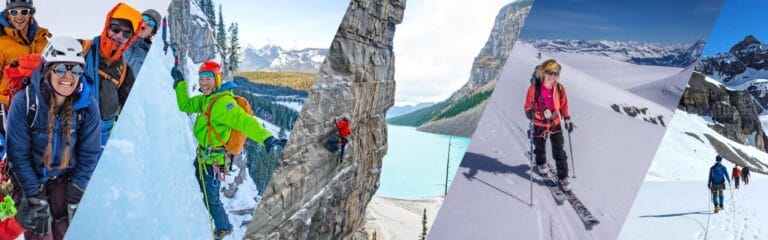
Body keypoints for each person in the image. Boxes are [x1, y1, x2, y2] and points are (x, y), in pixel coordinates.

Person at [172, 60, 284, 239]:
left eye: (208, 78)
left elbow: (245, 122)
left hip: (213, 162)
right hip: (203, 156)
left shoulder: (224, 103)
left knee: (212, 199)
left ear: (217, 79)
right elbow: (184, 106)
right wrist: (179, 83)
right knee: (203, 189)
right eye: (201, 79)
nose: (204, 83)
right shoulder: (205, 100)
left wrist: (267, 138)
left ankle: (224, 227)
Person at [6, 37, 100, 240]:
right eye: (61, 69)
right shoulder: (25, 103)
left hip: (66, 180)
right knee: (42, 232)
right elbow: (18, 156)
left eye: (76, 71)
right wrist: (35, 197)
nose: (69, 76)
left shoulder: (87, 107)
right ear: (48, 69)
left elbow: (89, 153)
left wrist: (76, 194)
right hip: (29, 180)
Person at [80, 2, 142, 155]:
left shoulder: (125, 73)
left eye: (127, 34)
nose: (120, 36)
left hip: (101, 138)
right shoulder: (81, 48)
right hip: (72, 130)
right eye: (116, 29)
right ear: (107, 26)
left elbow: (130, 111)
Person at [0, 0, 50, 133]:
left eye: (24, 11)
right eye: (14, 12)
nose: (19, 16)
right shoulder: (1, 43)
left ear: (30, 14)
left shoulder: (43, 40)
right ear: (8, 15)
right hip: (7, 109)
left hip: (39, 106)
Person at [525, 59, 574, 190]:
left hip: (555, 123)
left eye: (555, 73)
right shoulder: (534, 88)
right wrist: (529, 113)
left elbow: (563, 105)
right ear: (543, 72)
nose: (552, 76)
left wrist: (567, 119)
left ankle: (563, 177)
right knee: (539, 146)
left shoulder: (559, 88)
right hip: (538, 123)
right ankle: (541, 163)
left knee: (559, 151)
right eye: (549, 72)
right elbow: (527, 105)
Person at [124, 9, 161, 78]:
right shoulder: (119, 38)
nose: (146, 23)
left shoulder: (150, 57)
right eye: (144, 18)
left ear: (151, 33)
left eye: (151, 23)